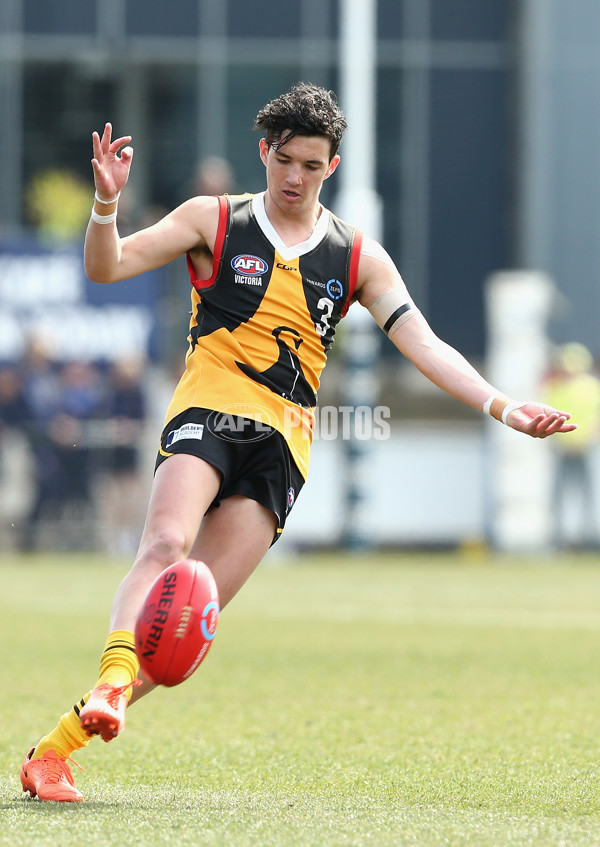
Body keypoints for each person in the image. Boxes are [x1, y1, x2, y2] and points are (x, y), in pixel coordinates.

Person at [20, 82, 576, 802]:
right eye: (285, 160)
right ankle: (111, 677)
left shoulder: (356, 257)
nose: (294, 177)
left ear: (332, 167)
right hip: (209, 412)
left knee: (186, 624)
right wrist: (105, 205)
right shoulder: (212, 219)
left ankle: (55, 750)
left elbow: (424, 344)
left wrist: (504, 405)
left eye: (311, 166)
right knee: (163, 547)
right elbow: (106, 266)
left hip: (283, 447)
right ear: (264, 152)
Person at [543, 342, 600, 548]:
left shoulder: (589, 386)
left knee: (588, 493)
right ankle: (561, 538)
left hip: (586, 447)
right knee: (562, 494)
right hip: (566, 447)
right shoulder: (558, 386)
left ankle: (589, 538)